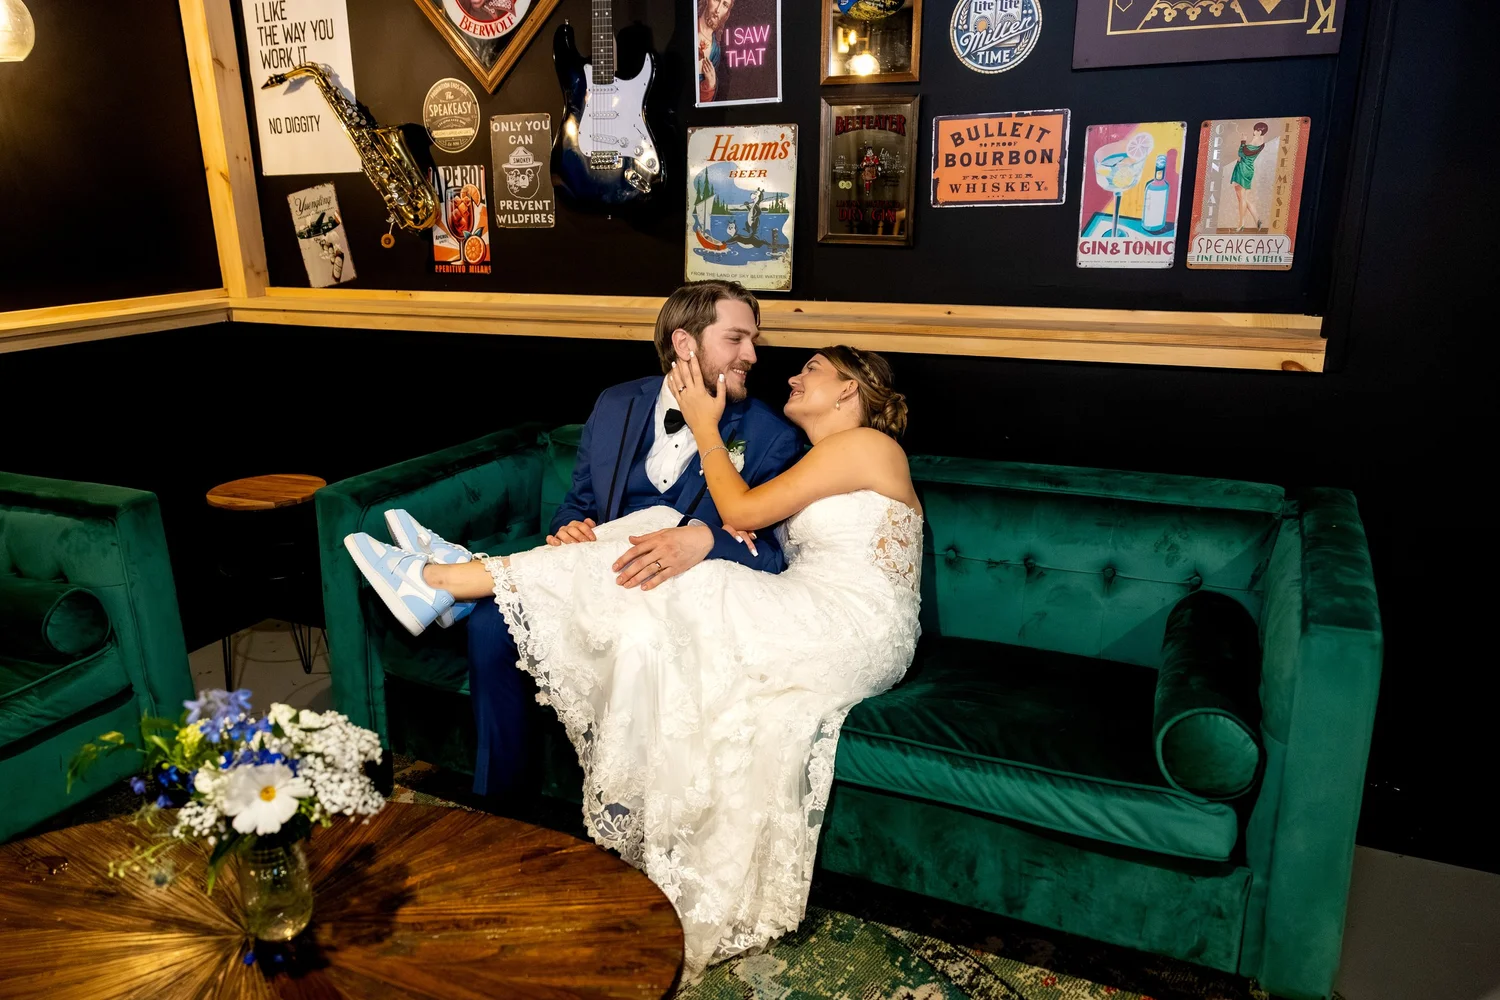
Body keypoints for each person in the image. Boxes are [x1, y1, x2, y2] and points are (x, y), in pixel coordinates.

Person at [344, 339, 923, 976]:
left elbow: (740, 510)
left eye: (811, 369)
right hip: (819, 609)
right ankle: (461, 577)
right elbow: (751, 531)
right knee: (651, 548)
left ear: (850, 390)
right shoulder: (823, 456)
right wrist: (706, 528)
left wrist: (704, 426)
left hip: (850, 623)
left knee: (674, 579)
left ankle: (444, 580)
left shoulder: (867, 445)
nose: (790, 373)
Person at [349, 281, 802, 799]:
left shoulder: (771, 435)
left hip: (670, 603)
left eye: (753, 341)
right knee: (493, 623)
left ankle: (445, 577)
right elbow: (579, 502)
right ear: (684, 343)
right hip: (591, 574)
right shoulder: (615, 405)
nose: (751, 355)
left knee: (509, 606)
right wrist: (569, 526)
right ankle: (501, 804)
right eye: (737, 339)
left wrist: (702, 540)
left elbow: (772, 557)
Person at [1230, 121, 1269, 232]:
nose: (1254, 131)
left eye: (1256, 130)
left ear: (1259, 131)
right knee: (1245, 198)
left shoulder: (1255, 140)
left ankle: (1241, 224)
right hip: (1249, 169)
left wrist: (1243, 141)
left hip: (1242, 169)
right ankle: (1257, 219)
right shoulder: (1262, 142)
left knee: (1241, 198)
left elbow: (1241, 153)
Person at [697, 0, 734, 103]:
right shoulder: (689, 27)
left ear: (727, 13)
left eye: (725, 5)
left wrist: (710, 85)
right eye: (716, 0)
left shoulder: (716, 51)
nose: (718, 10)